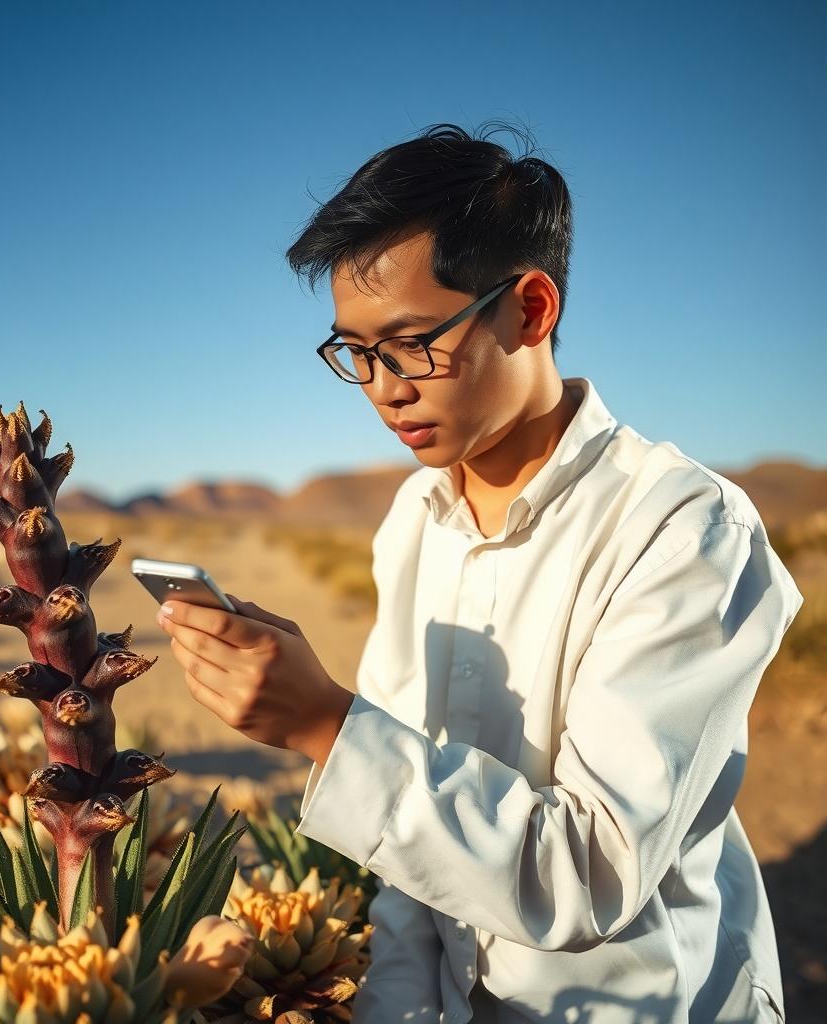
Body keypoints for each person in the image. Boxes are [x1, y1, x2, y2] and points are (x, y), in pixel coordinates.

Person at [154, 121, 803, 1023]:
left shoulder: (684, 529)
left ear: (531, 309)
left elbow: (590, 872)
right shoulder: (412, 524)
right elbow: (407, 874)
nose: (383, 387)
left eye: (412, 342)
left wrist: (328, 725)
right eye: (355, 352)